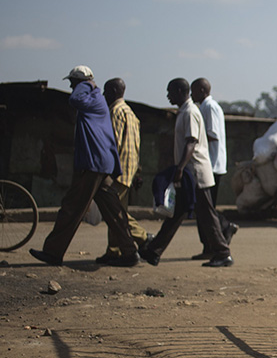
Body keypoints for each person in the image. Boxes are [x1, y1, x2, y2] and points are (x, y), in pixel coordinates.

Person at [29, 66, 138, 267]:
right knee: (112, 210)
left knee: (72, 207)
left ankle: (53, 252)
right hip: (101, 163)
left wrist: (86, 84)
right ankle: (130, 251)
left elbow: (75, 99)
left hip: (92, 163)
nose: (71, 87)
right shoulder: (96, 100)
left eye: (73, 82)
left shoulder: (91, 95)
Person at [139, 78, 233, 268]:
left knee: (206, 214)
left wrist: (180, 168)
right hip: (190, 172)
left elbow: (191, 141)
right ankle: (154, 251)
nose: (168, 96)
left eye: (170, 92)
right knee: (177, 213)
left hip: (195, 172)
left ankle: (223, 252)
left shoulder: (190, 112)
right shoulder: (185, 112)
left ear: (180, 92)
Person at [95, 78, 152, 264]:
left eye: (106, 92)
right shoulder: (130, 113)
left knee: (115, 213)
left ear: (113, 91)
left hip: (117, 170)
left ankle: (143, 237)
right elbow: (136, 145)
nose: (104, 95)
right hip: (128, 169)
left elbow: (114, 144)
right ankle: (114, 250)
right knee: (117, 211)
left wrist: (107, 170)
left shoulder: (115, 112)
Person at [190, 78, 237, 259]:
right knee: (204, 207)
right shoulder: (205, 107)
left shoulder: (209, 108)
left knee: (205, 208)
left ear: (202, 91)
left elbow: (212, 134)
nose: (191, 95)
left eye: (194, 91)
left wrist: (193, 139)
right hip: (209, 164)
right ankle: (211, 243)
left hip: (211, 164)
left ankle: (220, 233)